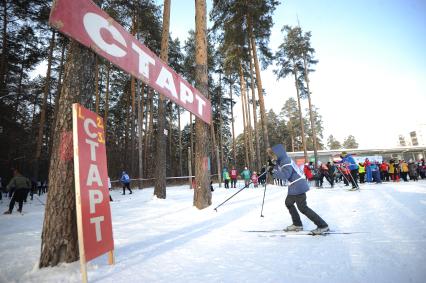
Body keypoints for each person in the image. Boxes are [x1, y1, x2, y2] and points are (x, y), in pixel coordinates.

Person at [267, 144, 329, 235]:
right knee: (289, 203)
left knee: (303, 208)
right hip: (295, 186)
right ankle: (297, 224)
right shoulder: (284, 160)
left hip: (298, 186)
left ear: (278, 154)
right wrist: (273, 165)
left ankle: (323, 225)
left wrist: (273, 171)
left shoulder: (286, 161)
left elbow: (285, 175)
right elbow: (280, 168)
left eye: (273, 155)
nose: (272, 157)